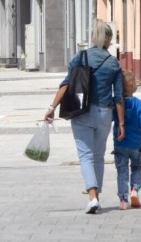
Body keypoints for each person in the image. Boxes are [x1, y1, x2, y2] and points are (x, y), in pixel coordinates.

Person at [45, 19, 125, 214]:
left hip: (81, 112)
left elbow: (65, 84)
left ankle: (93, 197)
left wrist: (52, 107)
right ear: (108, 39)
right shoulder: (113, 63)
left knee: (86, 156)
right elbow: (119, 97)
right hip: (105, 114)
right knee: (98, 156)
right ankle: (96, 195)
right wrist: (121, 123)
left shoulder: (80, 58)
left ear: (93, 37)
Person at [113, 70, 141, 210]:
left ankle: (123, 199)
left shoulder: (115, 104)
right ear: (133, 86)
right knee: (136, 167)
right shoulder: (140, 104)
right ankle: (134, 190)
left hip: (120, 143)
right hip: (136, 144)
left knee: (122, 171)